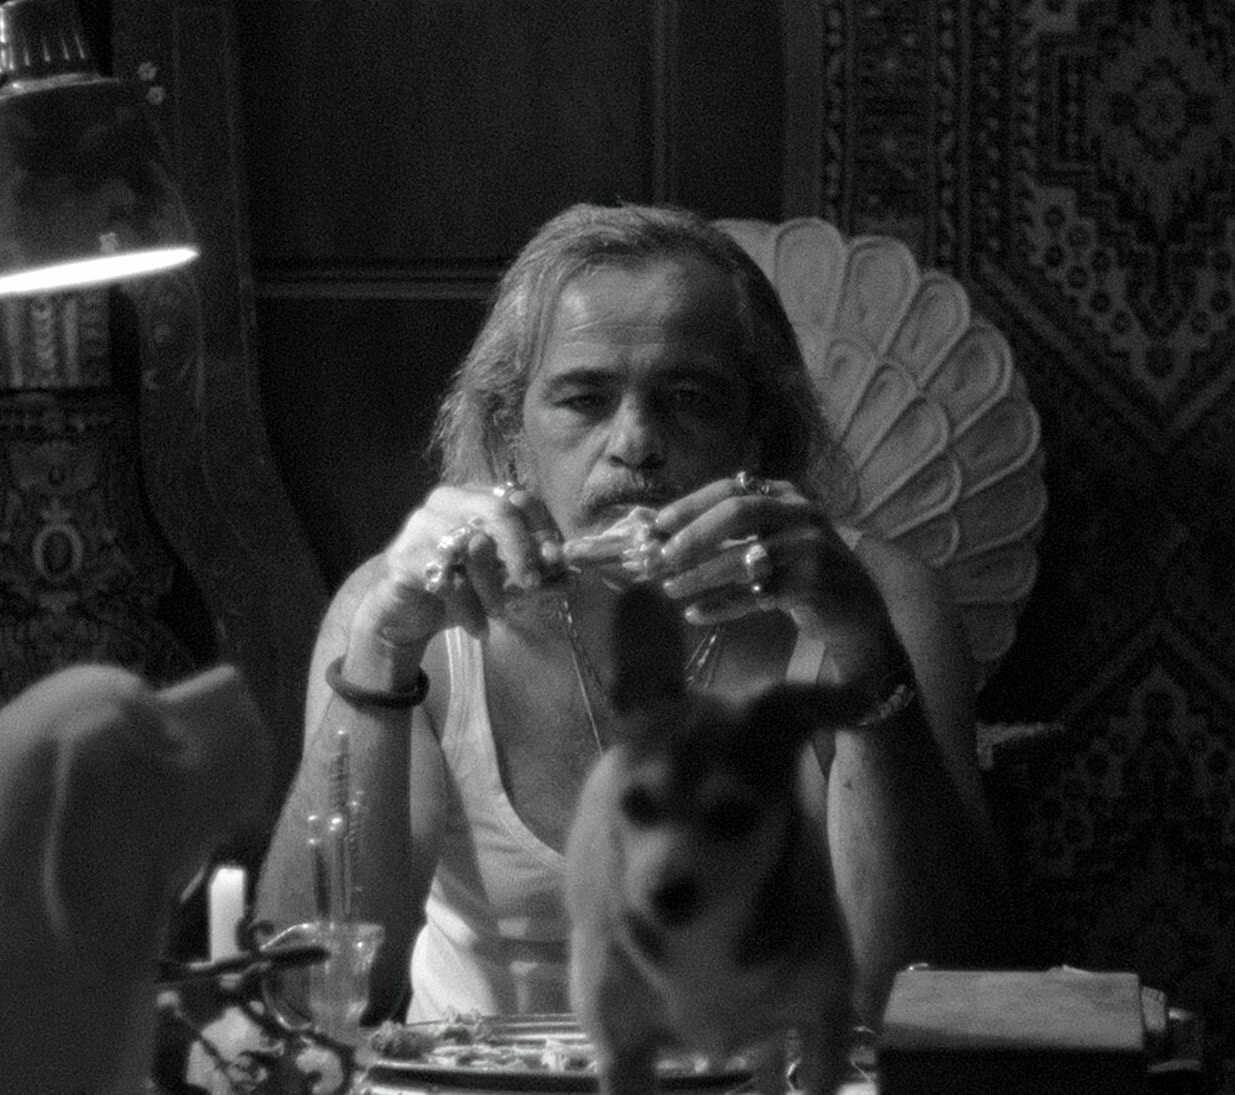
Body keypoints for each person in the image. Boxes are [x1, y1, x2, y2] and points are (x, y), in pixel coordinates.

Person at [256, 202, 1011, 1027]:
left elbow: (932, 996)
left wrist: (864, 652)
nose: (637, 442)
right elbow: (312, 999)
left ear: (756, 427)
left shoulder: (879, 602)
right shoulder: (406, 616)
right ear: (511, 431)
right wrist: (378, 653)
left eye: (687, 397)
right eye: (585, 400)